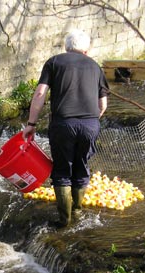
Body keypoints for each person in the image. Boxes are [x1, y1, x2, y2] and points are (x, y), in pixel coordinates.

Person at [23, 29, 109, 227]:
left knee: (62, 171)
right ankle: (77, 212)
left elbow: (39, 95)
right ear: (86, 50)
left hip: (63, 124)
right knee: (81, 167)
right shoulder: (95, 66)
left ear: (66, 47)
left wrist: (31, 124)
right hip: (90, 124)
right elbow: (102, 105)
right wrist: (91, 122)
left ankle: (64, 220)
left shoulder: (54, 62)